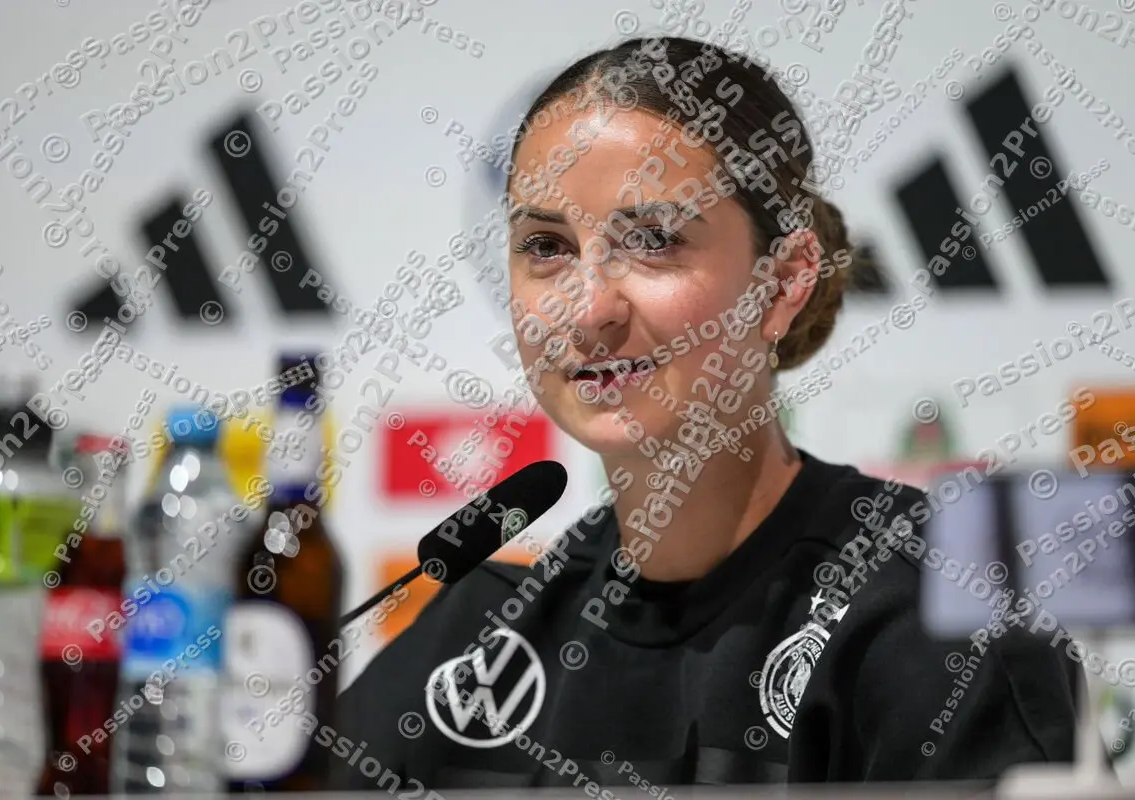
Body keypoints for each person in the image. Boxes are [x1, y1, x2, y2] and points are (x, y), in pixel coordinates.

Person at [332, 36, 1084, 790]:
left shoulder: (935, 613)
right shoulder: (483, 629)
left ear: (784, 281)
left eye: (653, 241)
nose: (589, 308)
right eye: (547, 246)